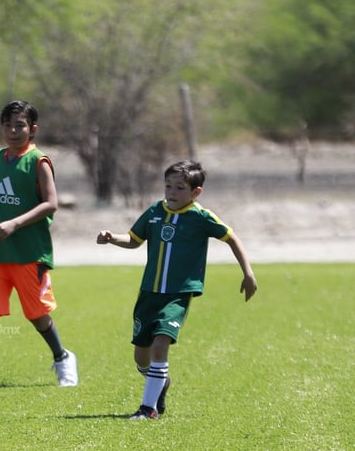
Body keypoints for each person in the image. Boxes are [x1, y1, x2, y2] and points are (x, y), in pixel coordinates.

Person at [96, 159, 258, 419]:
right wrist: (112, 238)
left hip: (178, 294)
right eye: (168, 186)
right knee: (141, 357)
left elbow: (231, 237)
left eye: (180, 188)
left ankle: (147, 409)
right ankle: (161, 383)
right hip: (149, 292)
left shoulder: (201, 217)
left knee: (162, 342)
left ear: (196, 192)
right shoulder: (154, 212)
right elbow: (133, 240)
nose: (172, 192)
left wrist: (248, 273)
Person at [0, 100, 78, 389]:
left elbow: (51, 204)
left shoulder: (38, 161)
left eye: (20, 125)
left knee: (38, 316)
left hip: (28, 253)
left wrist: (15, 223)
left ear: (32, 129)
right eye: (8, 125)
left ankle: (62, 357)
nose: (13, 131)